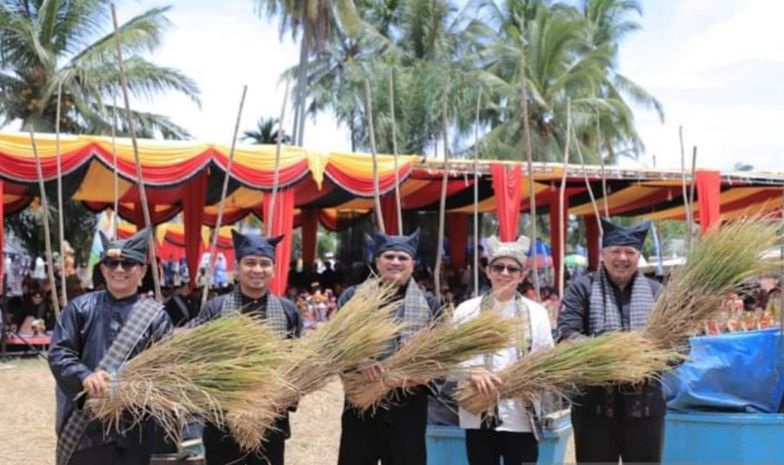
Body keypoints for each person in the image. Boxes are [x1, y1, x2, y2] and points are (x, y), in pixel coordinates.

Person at [48, 228, 173, 465]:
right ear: (103, 269)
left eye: (128, 264)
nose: (119, 270)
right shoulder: (79, 309)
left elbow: (166, 370)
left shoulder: (156, 317)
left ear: (143, 270)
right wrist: (84, 377)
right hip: (86, 430)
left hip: (135, 430)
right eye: (112, 263)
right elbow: (59, 353)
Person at [557, 219, 664, 464]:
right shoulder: (581, 288)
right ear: (603, 253)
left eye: (630, 252)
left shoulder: (657, 292)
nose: (622, 258)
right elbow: (565, 336)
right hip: (593, 410)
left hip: (645, 409)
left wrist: (645, 361)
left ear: (639, 256)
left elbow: (679, 346)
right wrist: (612, 354)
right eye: (616, 251)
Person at [192, 231, 302, 465]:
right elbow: (196, 360)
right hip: (222, 420)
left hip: (270, 418)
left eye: (265, 264)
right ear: (237, 266)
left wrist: (285, 396)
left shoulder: (287, 311)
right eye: (250, 263)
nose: (257, 269)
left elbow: (298, 363)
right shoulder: (215, 308)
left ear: (274, 268)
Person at [336, 229, 441, 465]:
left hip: (408, 406)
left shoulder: (430, 304)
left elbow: (442, 358)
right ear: (377, 261)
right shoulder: (353, 298)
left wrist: (422, 373)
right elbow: (335, 346)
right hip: (361, 405)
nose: (395, 262)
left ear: (412, 264)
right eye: (389, 256)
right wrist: (358, 363)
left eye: (402, 258)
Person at [454, 235, 554, 465]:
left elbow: (546, 358)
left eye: (512, 269)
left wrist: (528, 378)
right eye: (498, 267)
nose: (505, 273)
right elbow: (450, 361)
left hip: (521, 415)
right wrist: (471, 372)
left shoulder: (536, 312)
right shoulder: (466, 311)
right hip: (478, 413)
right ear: (488, 271)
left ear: (522, 276)